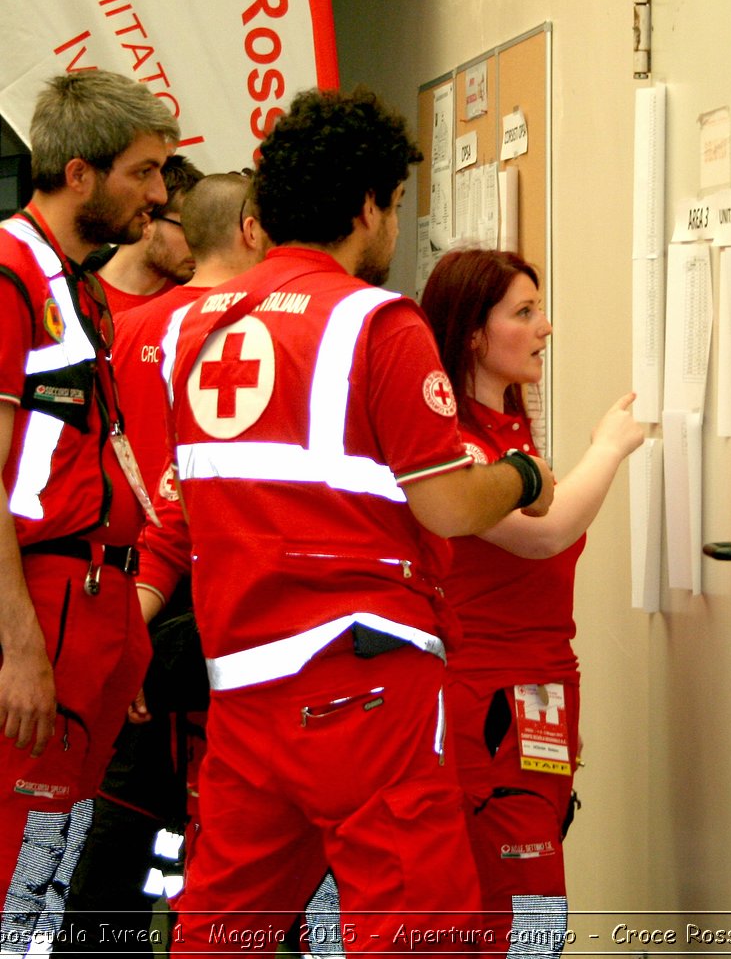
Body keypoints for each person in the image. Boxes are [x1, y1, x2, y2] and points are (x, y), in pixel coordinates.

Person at [142, 87, 554, 956]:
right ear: (370, 207)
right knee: (413, 930)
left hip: (246, 684)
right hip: (365, 682)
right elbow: (444, 502)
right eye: (397, 206)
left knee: (223, 931)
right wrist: (519, 474)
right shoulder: (376, 323)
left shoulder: (195, 330)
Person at [53, 171, 269, 957]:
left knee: (124, 839)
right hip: (206, 616)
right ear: (250, 230)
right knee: (198, 844)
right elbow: (182, 501)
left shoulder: (128, 331)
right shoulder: (253, 331)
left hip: (127, 600)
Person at [420, 248, 644, 958]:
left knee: (530, 910)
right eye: (524, 313)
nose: (545, 328)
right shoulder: (453, 446)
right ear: (473, 336)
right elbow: (543, 537)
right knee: (521, 918)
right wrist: (607, 450)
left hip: (541, 696)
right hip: (481, 702)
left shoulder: (511, 431)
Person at [0, 69, 180, 948]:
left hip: (99, 605)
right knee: (19, 860)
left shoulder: (83, 287)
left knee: (56, 853)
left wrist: (129, 635)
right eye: (144, 173)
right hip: (41, 605)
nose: (158, 195)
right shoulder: (10, 272)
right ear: (80, 174)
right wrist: (21, 647)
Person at [93, 154, 204, 318]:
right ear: (146, 222)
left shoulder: (199, 303)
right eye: (188, 229)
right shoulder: (75, 294)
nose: (199, 244)